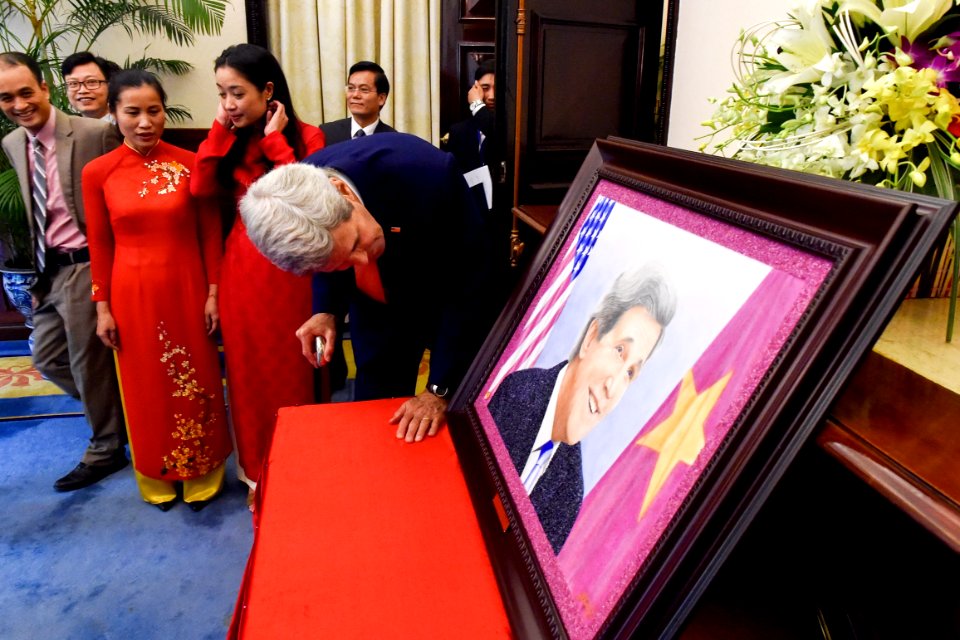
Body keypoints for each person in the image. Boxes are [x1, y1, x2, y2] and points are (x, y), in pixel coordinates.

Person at [238, 133, 494, 443]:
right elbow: (328, 253)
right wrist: (326, 310)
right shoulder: (297, 191)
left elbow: (470, 286)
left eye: (358, 242)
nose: (361, 259)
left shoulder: (428, 174)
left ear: (342, 191)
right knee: (377, 416)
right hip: (373, 306)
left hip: (443, 300)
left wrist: (439, 389)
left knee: (450, 424)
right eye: (345, 262)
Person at [83, 69, 231, 511]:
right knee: (144, 386)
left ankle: (203, 468)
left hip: (186, 288)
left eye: (154, 110)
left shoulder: (189, 164)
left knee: (199, 379)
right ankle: (155, 472)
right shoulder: (98, 172)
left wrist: (213, 292)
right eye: (133, 112)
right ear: (114, 114)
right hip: (131, 295)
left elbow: (210, 233)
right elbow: (99, 243)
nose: (145, 121)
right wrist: (102, 307)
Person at [191, 43, 325, 508]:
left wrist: (274, 142)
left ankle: (302, 465)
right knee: (247, 379)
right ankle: (257, 474)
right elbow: (199, 188)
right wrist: (218, 131)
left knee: (293, 369)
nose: (228, 104)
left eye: (237, 93)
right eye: (221, 94)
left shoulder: (308, 137)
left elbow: (304, 203)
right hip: (242, 275)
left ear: (268, 91)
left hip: (291, 274)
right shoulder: (227, 140)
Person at [0, 51, 126, 491]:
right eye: (6, 98)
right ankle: (119, 417)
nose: (18, 105)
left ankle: (105, 446)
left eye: (25, 93)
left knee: (84, 360)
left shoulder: (95, 133)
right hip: (46, 270)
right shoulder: (13, 143)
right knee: (47, 357)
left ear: (45, 89)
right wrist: (35, 275)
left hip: (86, 263)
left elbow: (125, 194)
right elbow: (39, 213)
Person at [487, 266, 677, 553]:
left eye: (630, 373)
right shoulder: (518, 392)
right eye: (619, 351)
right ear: (591, 338)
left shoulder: (570, 493)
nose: (613, 387)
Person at [443, 58, 497, 211]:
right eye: (485, 88)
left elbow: (494, 131)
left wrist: (477, 105)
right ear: (475, 88)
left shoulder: (514, 128)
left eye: (496, 88)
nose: (492, 96)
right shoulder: (458, 131)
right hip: (469, 210)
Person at [318, 61, 396, 144]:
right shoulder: (327, 132)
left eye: (364, 89)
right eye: (351, 88)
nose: (355, 95)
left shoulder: (392, 139)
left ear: (381, 98)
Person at [60, 52, 121, 121]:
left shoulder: (127, 128)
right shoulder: (65, 129)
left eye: (91, 82)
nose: (82, 91)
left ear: (110, 86)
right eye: (73, 83)